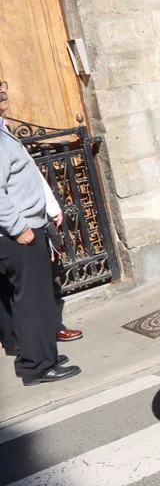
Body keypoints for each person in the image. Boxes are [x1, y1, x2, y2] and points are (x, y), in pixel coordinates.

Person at [0, 81, 81, 385]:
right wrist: (20, 228)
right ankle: (38, 366)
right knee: (31, 299)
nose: (3, 92)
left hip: (24, 227)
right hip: (17, 233)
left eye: (2, 86)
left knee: (31, 298)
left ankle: (37, 356)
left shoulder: (3, 130)